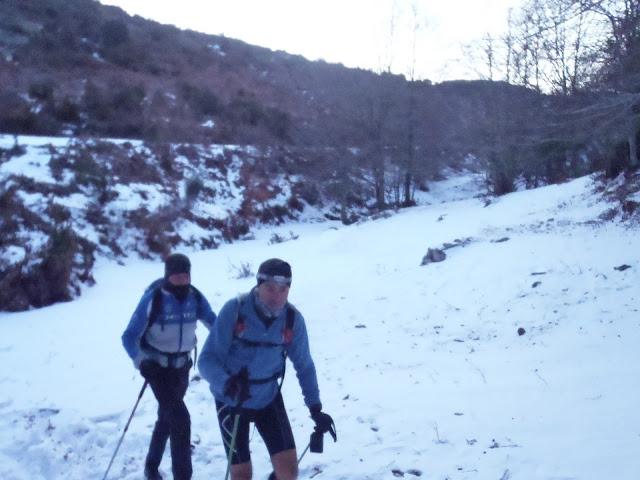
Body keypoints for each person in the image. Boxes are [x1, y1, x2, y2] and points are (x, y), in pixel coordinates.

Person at [198, 258, 335, 480]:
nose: (276, 295)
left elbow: (305, 366)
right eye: (270, 287)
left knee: (288, 472)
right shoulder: (236, 310)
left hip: (268, 396)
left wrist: (315, 408)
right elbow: (206, 360)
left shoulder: (292, 320)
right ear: (258, 285)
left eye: (283, 289)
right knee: (242, 475)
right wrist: (227, 383)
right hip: (232, 399)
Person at [122, 253, 217, 480]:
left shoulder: (195, 297)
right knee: (181, 420)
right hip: (157, 370)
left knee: (167, 418)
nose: (182, 281)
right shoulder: (154, 299)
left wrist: (235, 341)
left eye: (186, 276)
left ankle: (151, 467)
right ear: (167, 276)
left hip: (182, 368)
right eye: (177, 277)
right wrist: (142, 362)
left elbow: (214, 324)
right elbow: (128, 337)